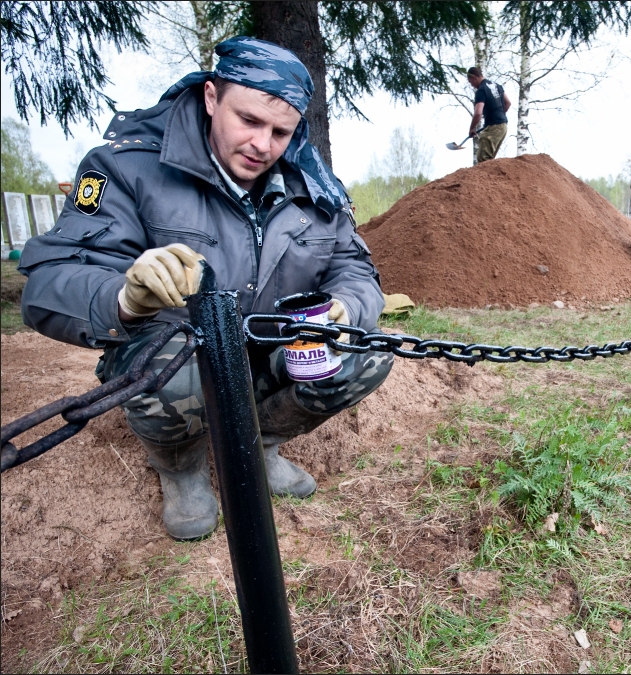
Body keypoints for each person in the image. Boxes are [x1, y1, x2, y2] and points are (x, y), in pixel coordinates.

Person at [18, 37, 393, 541]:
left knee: (364, 353)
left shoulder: (313, 185)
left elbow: (353, 266)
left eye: (281, 132)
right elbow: (51, 278)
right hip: (176, 356)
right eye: (250, 121)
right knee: (173, 376)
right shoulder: (126, 167)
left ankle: (258, 445)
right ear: (212, 97)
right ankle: (181, 465)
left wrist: (346, 306)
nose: (264, 145)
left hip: (267, 351)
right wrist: (124, 298)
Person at [466, 66, 511, 163]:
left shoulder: (481, 90)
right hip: (503, 126)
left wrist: (472, 128)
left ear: (474, 77)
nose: (472, 85)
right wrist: (499, 115)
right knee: (488, 161)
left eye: (471, 82)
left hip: (494, 127)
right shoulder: (497, 86)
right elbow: (508, 103)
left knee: (483, 160)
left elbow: (478, 113)